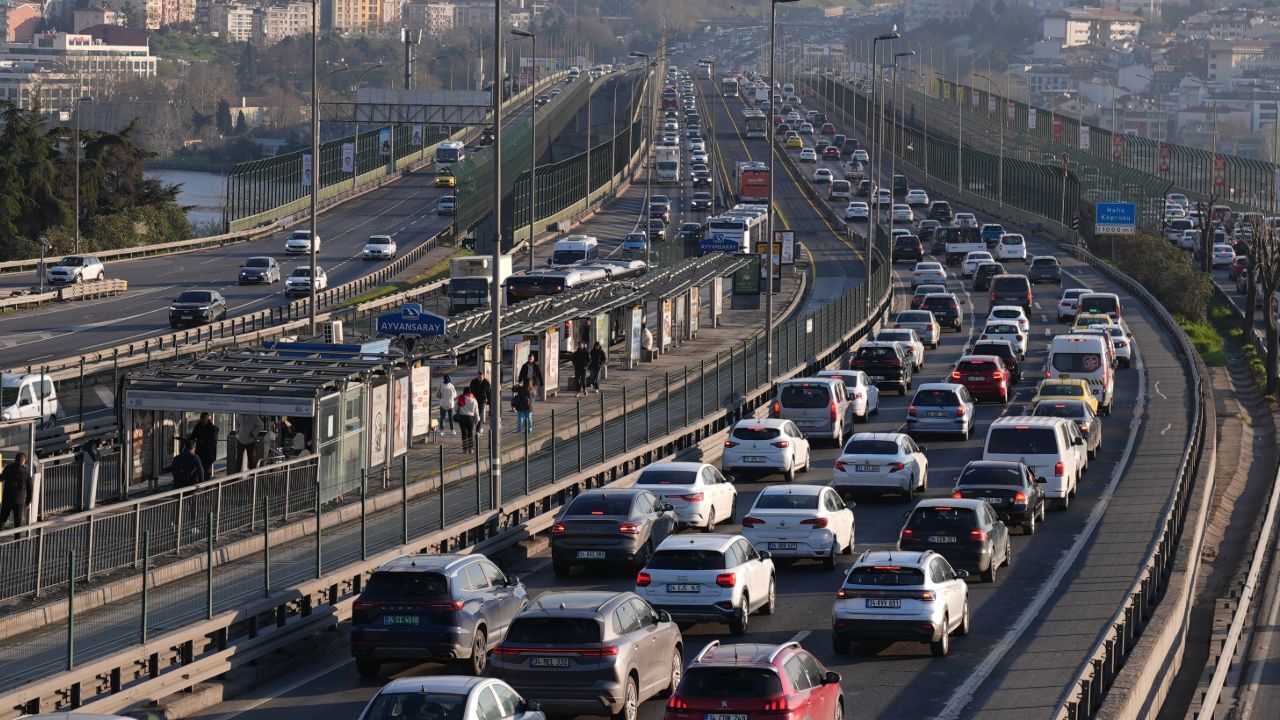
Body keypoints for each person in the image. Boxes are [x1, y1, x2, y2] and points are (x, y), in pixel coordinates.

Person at [0, 452, 32, 530]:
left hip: (7, 499)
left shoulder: (8, 468)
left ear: (15, 460)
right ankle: (17, 541)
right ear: (24, 461)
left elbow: (1, 478)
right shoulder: (26, 472)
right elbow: (30, 488)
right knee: (18, 524)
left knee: (2, 520)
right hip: (19, 501)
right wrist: (28, 501)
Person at [190, 412, 219, 481]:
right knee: (199, 470)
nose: (202, 421)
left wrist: (203, 441)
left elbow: (213, 441)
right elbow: (193, 436)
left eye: (204, 419)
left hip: (209, 454)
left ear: (208, 419)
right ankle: (201, 485)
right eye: (201, 419)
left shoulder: (213, 429)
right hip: (200, 453)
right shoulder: (198, 426)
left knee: (206, 472)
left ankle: (207, 487)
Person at [456, 387, 478, 452]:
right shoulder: (473, 400)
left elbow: (455, 408)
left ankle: (465, 449)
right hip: (470, 418)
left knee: (464, 434)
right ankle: (471, 449)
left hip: (462, 418)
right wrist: (477, 421)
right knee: (470, 433)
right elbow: (476, 412)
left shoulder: (460, 398)